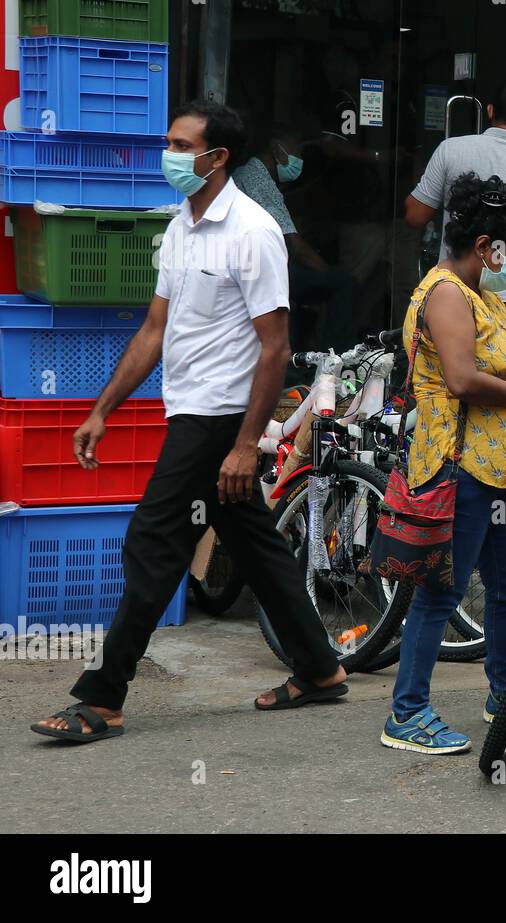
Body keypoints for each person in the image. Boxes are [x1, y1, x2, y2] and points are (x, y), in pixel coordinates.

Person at [31, 102, 348, 744]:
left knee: (153, 541)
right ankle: (318, 669)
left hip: (218, 417)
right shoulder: (182, 225)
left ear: (216, 157)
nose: (169, 152)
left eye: (181, 144)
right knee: (253, 538)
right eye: (169, 141)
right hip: (191, 408)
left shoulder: (252, 232)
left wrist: (242, 445)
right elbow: (155, 329)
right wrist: (102, 410)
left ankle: (103, 698)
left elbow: (275, 347)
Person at [381, 171, 506, 755]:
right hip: (459, 464)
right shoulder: (444, 294)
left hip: (497, 470)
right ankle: (405, 714)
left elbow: (496, 365)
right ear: (485, 243)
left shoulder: (481, 295)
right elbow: (462, 379)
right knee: (442, 592)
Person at [404, 80, 506, 338]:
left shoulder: (450, 151)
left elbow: (415, 215)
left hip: (453, 294)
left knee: (448, 377)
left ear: (490, 111)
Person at [233, 122, 360, 352]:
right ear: (276, 148)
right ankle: (332, 357)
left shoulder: (255, 175)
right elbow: (293, 242)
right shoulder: (257, 178)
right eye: (296, 150)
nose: (299, 158)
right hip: (259, 270)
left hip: (256, 265)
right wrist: (328, 271)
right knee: (345, 284)